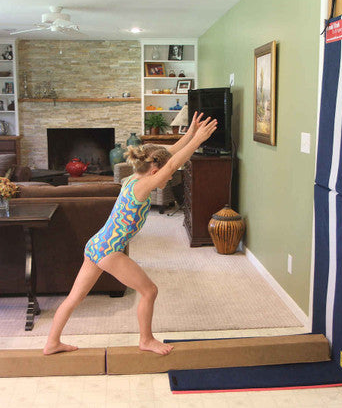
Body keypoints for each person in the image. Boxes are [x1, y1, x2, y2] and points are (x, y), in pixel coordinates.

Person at [43, 112, 217, 356]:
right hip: (109, 250)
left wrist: (189, 134)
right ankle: (146, 340)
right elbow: (171, 164)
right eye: (166, 175)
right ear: (154, 171)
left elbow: (167, 156)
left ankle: (52, 342)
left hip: (96, 245)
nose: (169, 178)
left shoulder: (135, 177)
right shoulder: (142, 187)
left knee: (75, 297)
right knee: (150, 291)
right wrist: (198, 140)